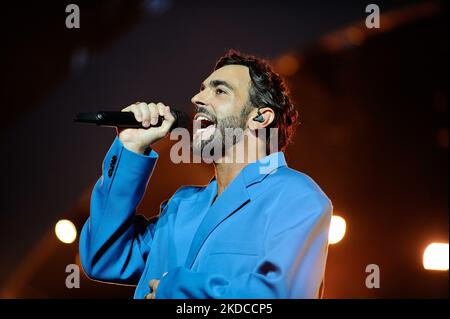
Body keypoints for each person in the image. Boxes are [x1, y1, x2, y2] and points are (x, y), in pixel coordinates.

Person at [79, 50, 333, 299]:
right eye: (202, 89)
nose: (196, 98)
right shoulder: (182, 206)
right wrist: (132, 147)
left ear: (260, 117)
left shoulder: (297, 197)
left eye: (220, 90)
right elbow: (103, 258)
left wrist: (178, 292)